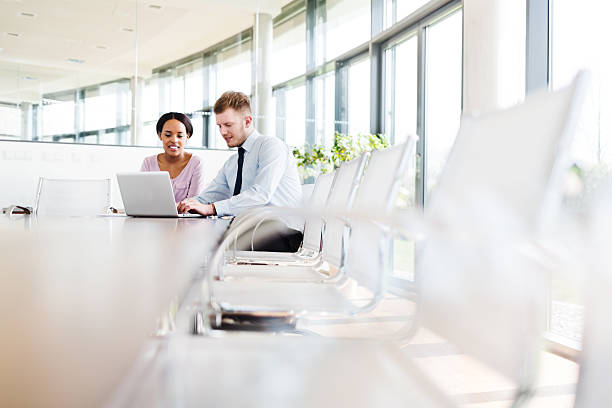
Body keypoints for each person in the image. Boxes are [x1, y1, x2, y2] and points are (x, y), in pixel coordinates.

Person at [177, 91, 303, 252]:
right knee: (193, 239)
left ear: (247, 121)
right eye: (219, 126)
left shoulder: (271, 146)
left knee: (207, 246)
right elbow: (207, 198)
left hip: (281, 233)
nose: (222, 132)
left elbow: (261, 195)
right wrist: (178, 206)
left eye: (228, 125)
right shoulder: (232, 163)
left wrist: (211, 209)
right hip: (250, 230)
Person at [140, 112, 205, 203]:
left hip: (186, 217)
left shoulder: (196, 163)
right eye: (168, 135)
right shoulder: (149, 162)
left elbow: (194, 203)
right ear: (160, 135)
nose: (174, 140)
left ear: (187, 136)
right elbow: (143, 199)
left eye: (180, 136)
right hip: (153, 216)